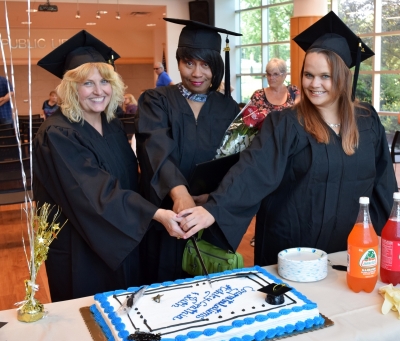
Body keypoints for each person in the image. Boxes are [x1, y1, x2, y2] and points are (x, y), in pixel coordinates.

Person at [178, 11, 398, 267]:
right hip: (295, 247)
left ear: (342, 77)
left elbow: (383, 182)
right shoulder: (287, 123)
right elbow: (254, 170)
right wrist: (214, 208)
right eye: (308, 74)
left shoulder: (366, 120)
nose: (314, 84)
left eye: (325, 76)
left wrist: (393, 229)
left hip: (351, 248)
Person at [34, 30, 184, 302]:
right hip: (82, 246)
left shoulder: (112, 124)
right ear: (70, 87)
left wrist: (175, 197)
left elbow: (130, 178)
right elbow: (93, 193)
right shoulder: (57, 133)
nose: (98, 90)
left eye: (104, 81)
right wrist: (154, 214)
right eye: (87, 83)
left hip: (123, 236)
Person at [135, 18, 241, 284]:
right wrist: (180, 193)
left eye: (206, 64)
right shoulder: (156, 100)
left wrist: (212, 197)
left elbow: (234, 159)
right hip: (165, 218)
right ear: (178, 61)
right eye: (189, 62)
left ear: (216, 65)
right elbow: (154, 145)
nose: (197, 73)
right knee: (160, 287)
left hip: (207, 218)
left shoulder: (228, 108)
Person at [249, 58, 300, 247]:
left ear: (284, 75)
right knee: (263, 194)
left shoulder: (294, 92)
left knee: (286, 193)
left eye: (276, 74)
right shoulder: (258, 95)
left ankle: (284, 232)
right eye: (268, 74)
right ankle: (260, 233)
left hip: (289, 150)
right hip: (265, 149)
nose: (271, 78)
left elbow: (301, 117)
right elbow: (250, 121)